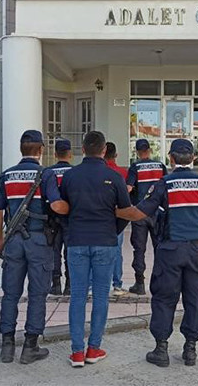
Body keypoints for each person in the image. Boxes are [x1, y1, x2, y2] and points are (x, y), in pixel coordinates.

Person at [117, 139, 198, 368]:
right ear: (193, 158)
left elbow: (139, 213)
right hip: (197, 251)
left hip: (170, 251)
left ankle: (161, 349)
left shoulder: (164, 184)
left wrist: (113, 210)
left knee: (164, 298)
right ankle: (190, 349)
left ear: (171, 158)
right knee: (195, 299)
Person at [0, 130, 69, 364]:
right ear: (41, 149)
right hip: (38, 241)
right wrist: (71, 207)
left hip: (13, 240)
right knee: (37, 294)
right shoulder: (45, 174)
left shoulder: (6, 175)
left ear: (21, 148)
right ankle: (30, 346)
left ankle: (7, 346)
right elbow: (56, 205)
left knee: (10, 293)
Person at [60, 131, 132, 367]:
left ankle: (77, 352)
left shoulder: (70, 176)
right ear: (104, 150)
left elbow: (62, 209)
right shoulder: (114, 177)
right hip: (105, 241)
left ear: (82, 149)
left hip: (77, 241)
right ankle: (93, 348)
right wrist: (113, 230)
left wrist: (70, 231)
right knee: (101, 295)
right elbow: (125, 211)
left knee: (78, 296)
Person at [126, 138, 168, 295]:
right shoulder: (160, 166)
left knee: (139, 249)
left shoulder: (135, 167)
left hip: (140, 213)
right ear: (149, 150)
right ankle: (160, 283)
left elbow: (128, 188)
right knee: (160, 248)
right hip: (157, 214)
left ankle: (140, 283)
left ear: (137, 152)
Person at [47, 138, 73, 296]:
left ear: (55, 154)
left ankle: (55, 284)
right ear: (70, 154)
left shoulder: (48, 172)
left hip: (52, 218)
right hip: (71, 218)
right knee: (70, 252)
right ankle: (69, 285)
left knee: (54, 251)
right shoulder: (75, 172)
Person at [103, 141, 128, 297]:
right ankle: (117, 285)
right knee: (116, 251)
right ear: (116, 155)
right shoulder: (122, 173)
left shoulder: (99, 172)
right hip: (117, 217)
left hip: (100, 217)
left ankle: (92, 285)